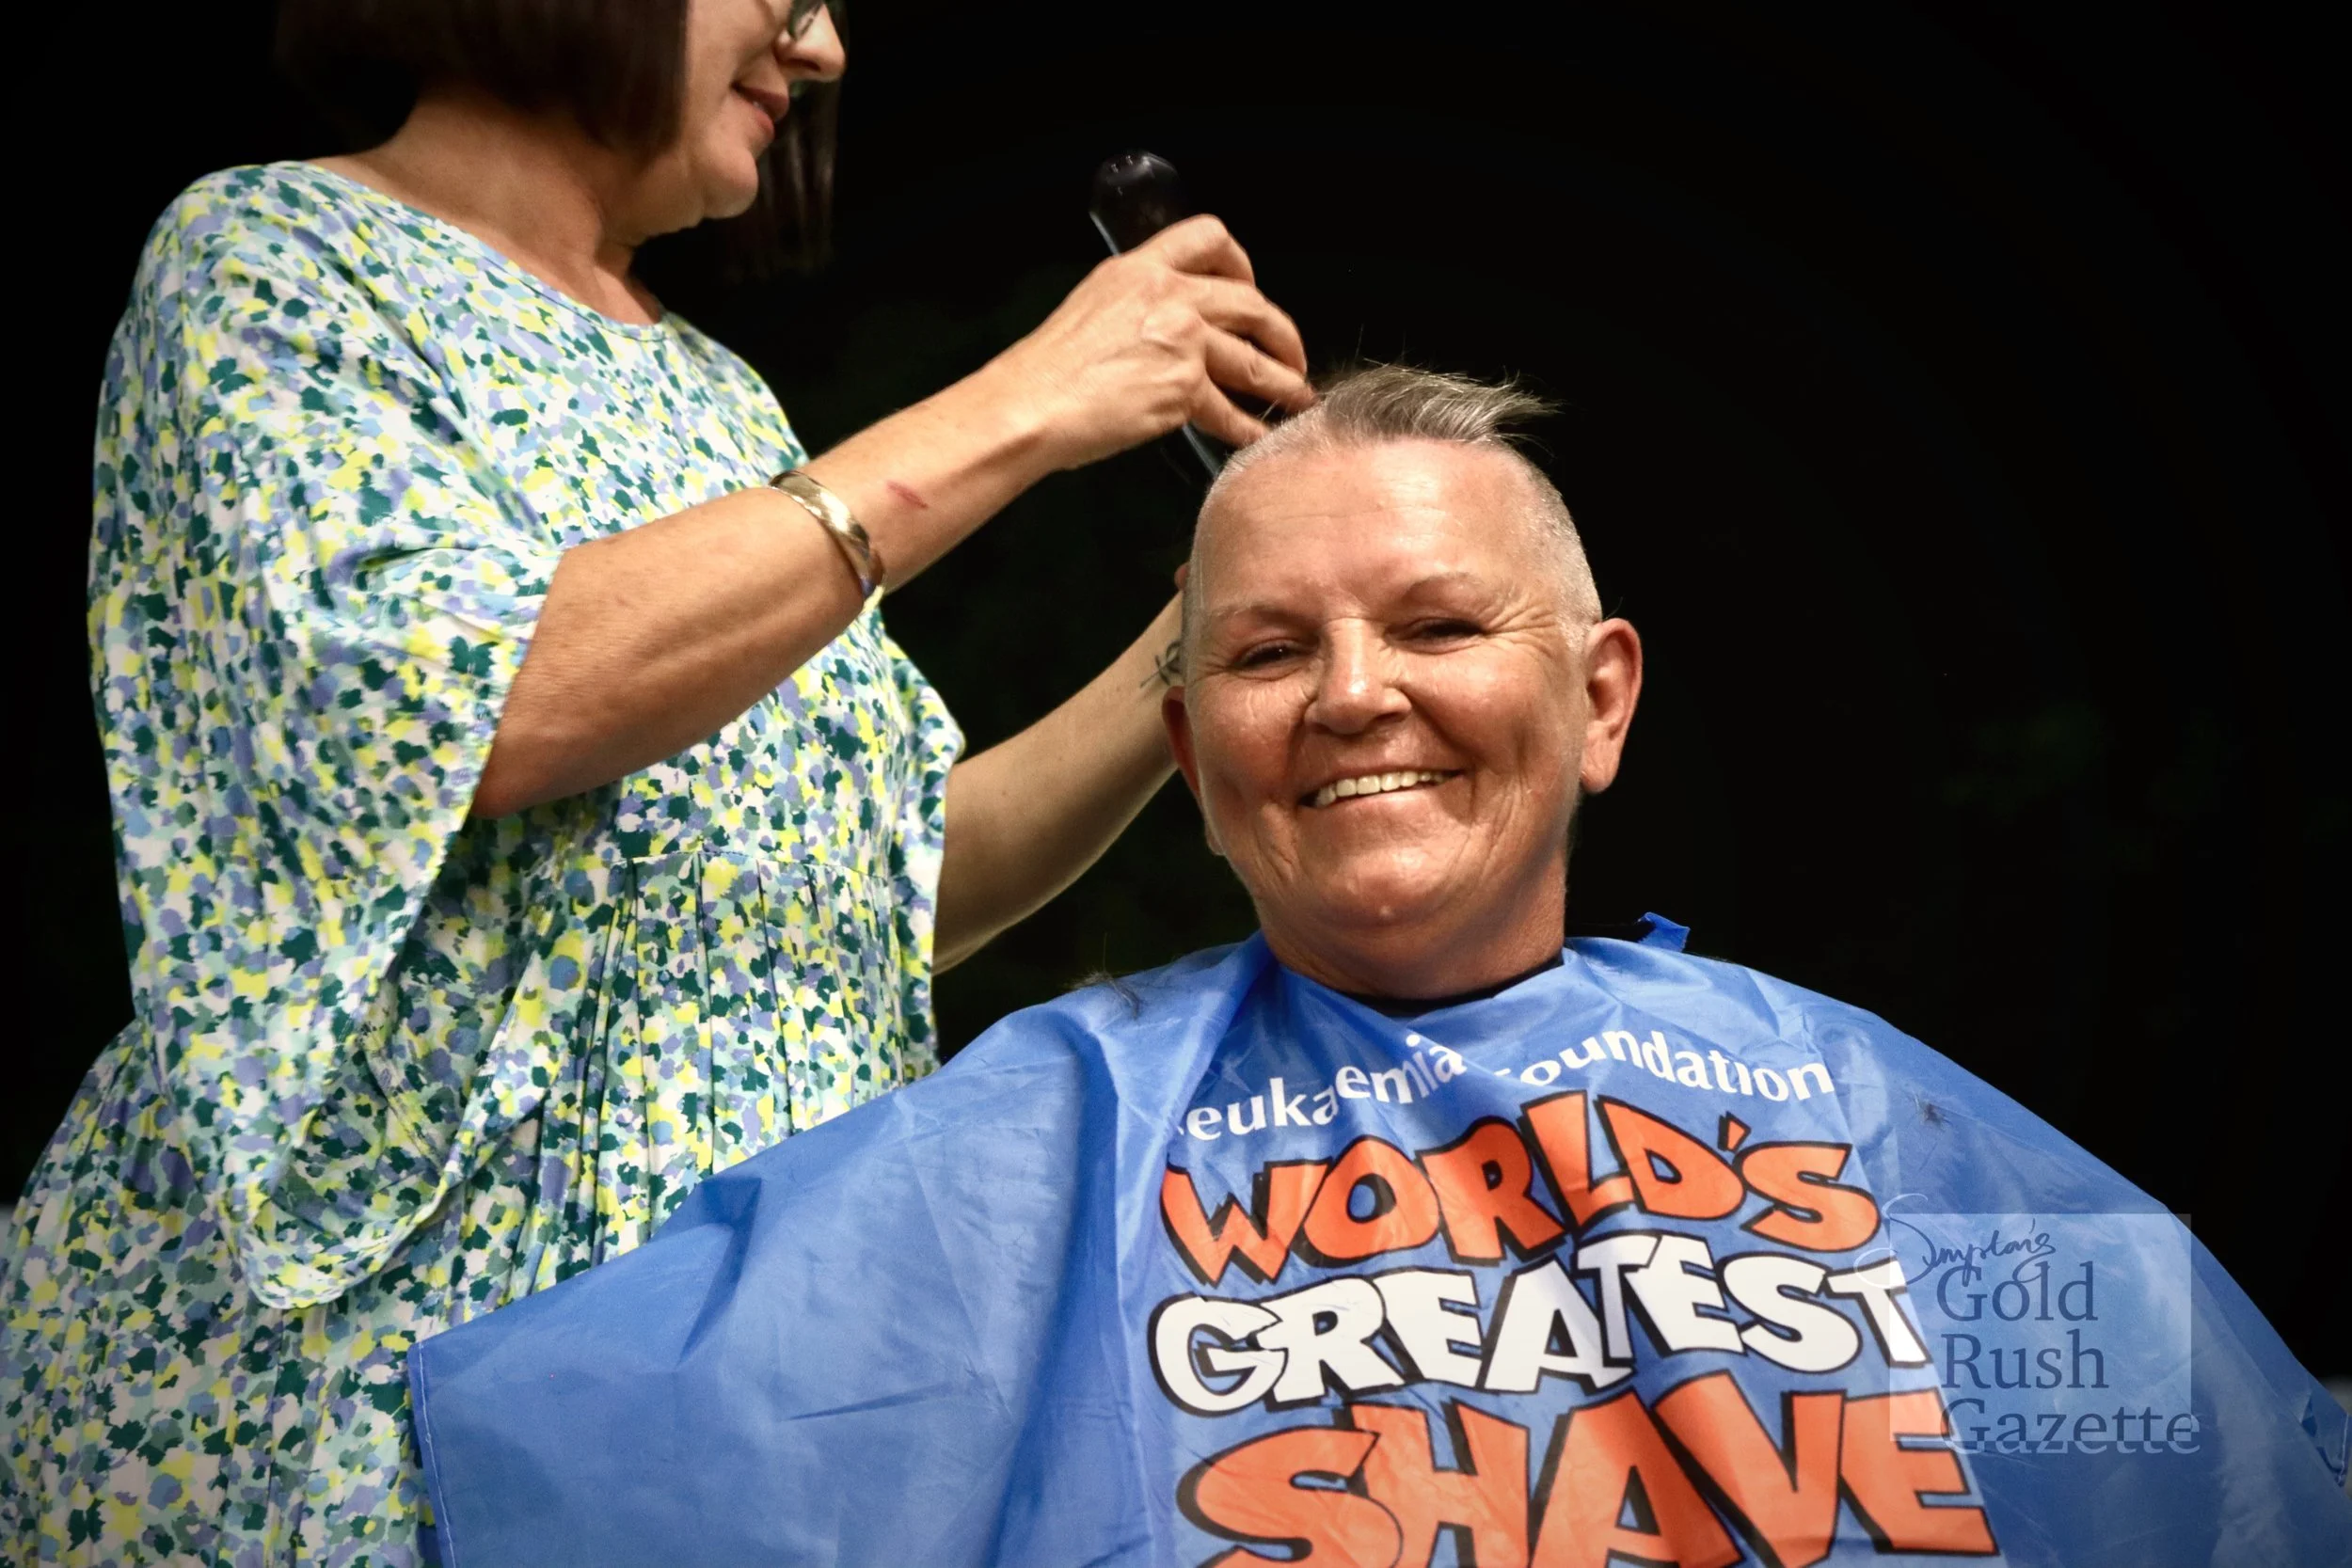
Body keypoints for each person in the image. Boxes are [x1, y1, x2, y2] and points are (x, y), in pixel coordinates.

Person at [405, 367, 2352, 1567]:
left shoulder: (1855, 1098)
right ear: (1187, 754)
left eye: (1433, 618)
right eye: (1262, 652)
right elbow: (581, 1467)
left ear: (1595, 700)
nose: (1351, 694)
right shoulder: (1045, 1129)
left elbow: (2233, 1485)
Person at [0, 1, 1315, 1561]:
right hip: (371, 1389)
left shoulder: (716, 398)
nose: (821, 52)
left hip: (722, 1391)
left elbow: (898, 884)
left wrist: (1210, 626)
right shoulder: (273, 257)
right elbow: (484, 696)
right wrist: (1030, 400)